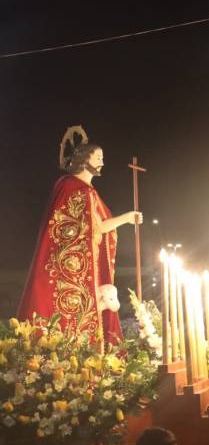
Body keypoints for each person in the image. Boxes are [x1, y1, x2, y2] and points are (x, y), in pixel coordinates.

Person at [19, 130, 142, 343]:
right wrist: (127, 218)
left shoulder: (87, 190)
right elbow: (90, 227)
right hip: (72, 268)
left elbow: (99, 227)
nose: (102, 162)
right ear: (85, 160)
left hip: (86, 266)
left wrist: (127, 218)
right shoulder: (73, 187)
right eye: (98, 158)